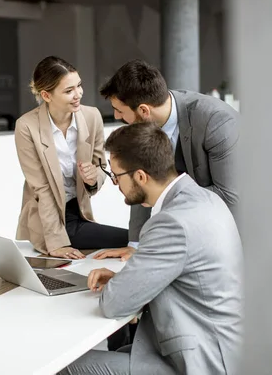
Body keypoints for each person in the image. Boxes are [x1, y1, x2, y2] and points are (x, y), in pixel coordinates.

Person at [59, 122, 244, 375]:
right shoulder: (205, 199)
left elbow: (114, 304)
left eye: (116, 176)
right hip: (219, 346)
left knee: (65, 367)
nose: (115, 184)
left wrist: (122, 285)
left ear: (141, 176)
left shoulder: (171, 223)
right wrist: (128, 278)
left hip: (201, 362)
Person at [95, 59, 240, 262]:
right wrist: (135, 245)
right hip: (185, 236)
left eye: (120, 111)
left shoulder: (216, 122)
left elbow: (230, 196)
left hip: (232, 239)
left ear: (144, 111)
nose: (117, 117)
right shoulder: (143, 125)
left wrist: (161, 193)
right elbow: (140, 184)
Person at [14, 56, 128, 259]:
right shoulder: (26, 126)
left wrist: (93, 179)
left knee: (133, 238)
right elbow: (41, 188)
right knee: (131, 239)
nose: (78, 95)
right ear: (46, 95)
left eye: (79, 86)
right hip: (49, 217)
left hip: (79, 210)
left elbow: (101, 166)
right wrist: (56, 242)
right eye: (69, 91)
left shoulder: (92, 117)